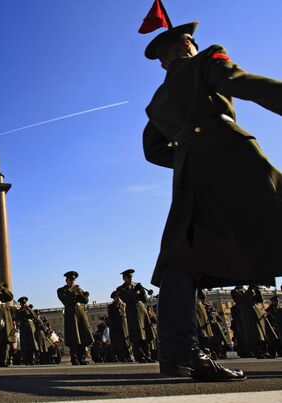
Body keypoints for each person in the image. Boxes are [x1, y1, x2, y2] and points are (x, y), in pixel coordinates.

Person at [142, 21, 282, 380]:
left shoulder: (157, 102)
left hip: (189, 169)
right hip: (232, 154)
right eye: (188, 44)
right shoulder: (207, 60)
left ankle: (178, 354)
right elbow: (240, 81)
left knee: (181, 254)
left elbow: (153, 150)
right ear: (190, 45)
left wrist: (188, 151)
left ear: (162, 62)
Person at [115, 269, 154, 363]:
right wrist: (134, 291)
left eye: (131, 277)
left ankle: (148, 355)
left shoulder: (135, 285)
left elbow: (144, 299)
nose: (130, 278)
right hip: (132, 312)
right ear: (124, 278)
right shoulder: (120, 289)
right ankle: (140, 356)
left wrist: (142, 291)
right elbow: (126, 299)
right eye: (128, 277)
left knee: (146, 334)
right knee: (137, 335)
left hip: (142, 311)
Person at [57, 271, 93, 365]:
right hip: (71, 314)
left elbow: (85, 300)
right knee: (74, 337)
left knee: (82, 336)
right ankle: (74, 358)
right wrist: (73, 292)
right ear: (67, 280)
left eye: (74, 280)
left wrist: (80, 293)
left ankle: (82, 357)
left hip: (80, 313)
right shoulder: (61, 290)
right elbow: (66, 301)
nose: (72, 281)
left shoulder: (78, 289)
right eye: (71, 280)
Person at [107, 291, 132, 362]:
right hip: (116, 327)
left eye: (118, 297)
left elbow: (125, 315)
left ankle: (128, 356)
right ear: (114, 298)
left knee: (126, 342)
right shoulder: (111, 306)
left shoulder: (123, 305)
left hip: (124, 326)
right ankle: (121, 357)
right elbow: (111, 317)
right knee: (119, 343)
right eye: (116, 297)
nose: (118, 298)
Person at [15, 297, 39, 365]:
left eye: (25, 303)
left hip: (31, 327)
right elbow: (17, 318)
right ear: (20, 304)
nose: (24, 304)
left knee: (32, 343)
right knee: (25, 344)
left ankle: (32, 359)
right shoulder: (18, 311)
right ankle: (26, 360)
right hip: (23, 327)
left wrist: (29, 309)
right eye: (22, 303)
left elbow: (35, 317)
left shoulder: (30, 310)